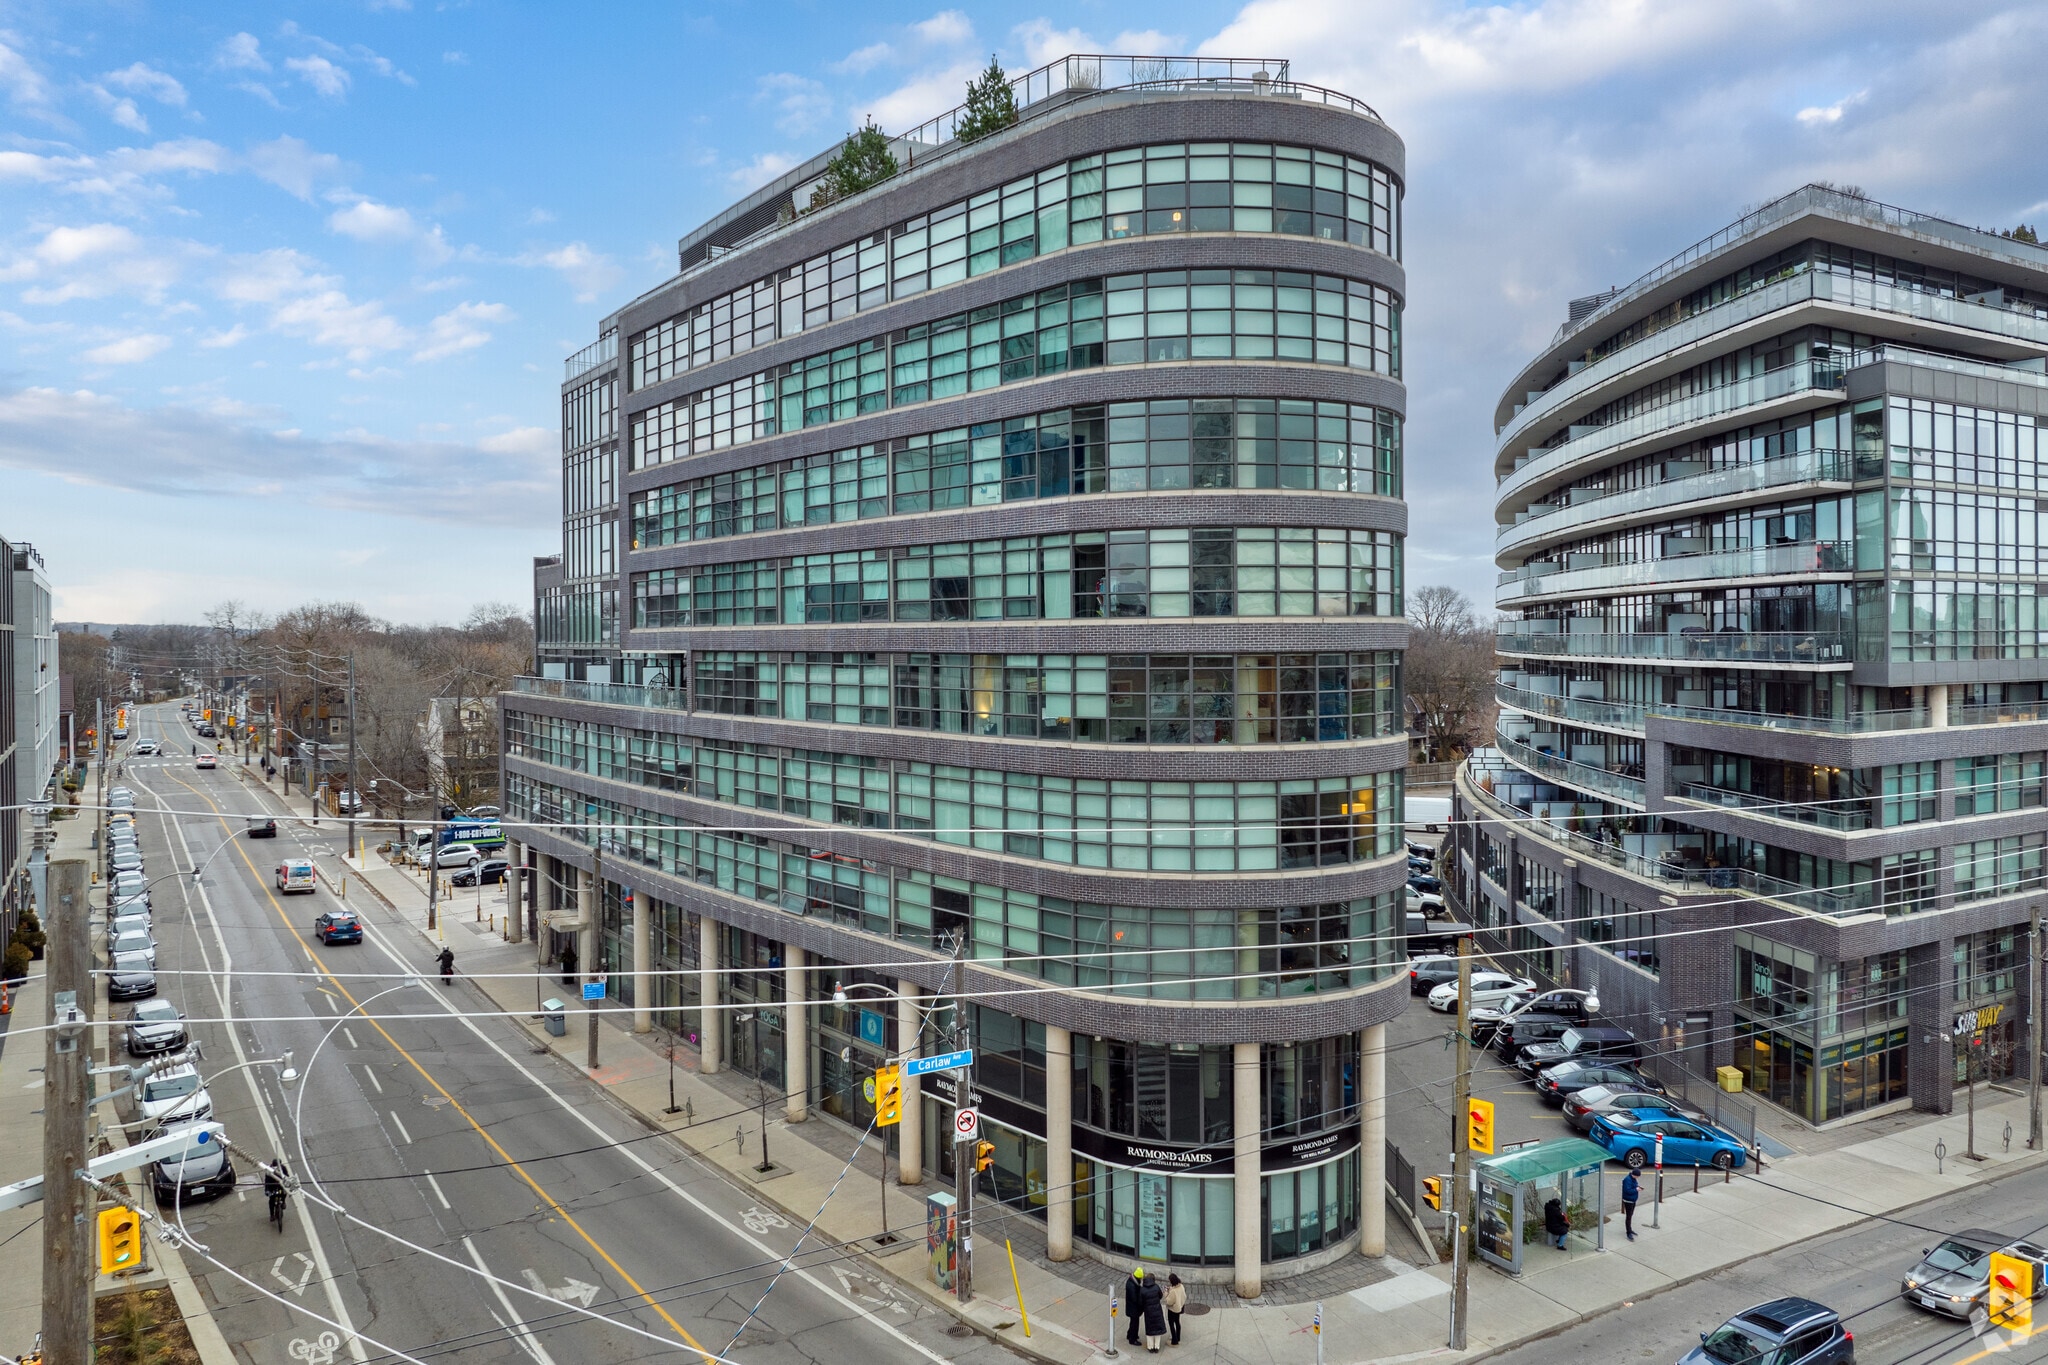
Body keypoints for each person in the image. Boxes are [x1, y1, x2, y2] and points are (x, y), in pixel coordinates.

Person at [1140, 1272, 1166, 1353]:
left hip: (1148, 1311)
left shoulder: (1142, 1289)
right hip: (1157, 1310)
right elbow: (1160, 1296)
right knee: (1158, 1329)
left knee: (1149, 1329)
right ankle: (1157, 1347)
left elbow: (1141, 1301)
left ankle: (1150, 1347)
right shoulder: (1156, 1287)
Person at [1123, 1266, 1145, 1347]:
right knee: (1135, 1323)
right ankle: (1133, 1339)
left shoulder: (1132, 1281)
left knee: (1133, 1322)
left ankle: (1130, 1334)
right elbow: (1135, 1299)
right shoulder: (1132, 1286)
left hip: (1131, 1307)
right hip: (1133, 1308)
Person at [1163, 1273, 1187, 1346]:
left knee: (1171, 1324)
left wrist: (1165, 1293)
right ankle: (1178, 1337)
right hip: (1179, 1308)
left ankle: (1174, 1340)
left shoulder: (1173, 1291)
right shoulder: (1181, 1286)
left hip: (1172, 1310)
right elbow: (1184, 1296)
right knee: (1177, 1322)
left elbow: (1169, 1301)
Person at [1621, 1170, 1640, 1240]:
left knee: (1630, 1215)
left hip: (1633, 1200)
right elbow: (1627, 1191)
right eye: (1637, 1176)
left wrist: (1637, 1188)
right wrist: (1636, 1189)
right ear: (1634, 1174)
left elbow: (1634, 1186)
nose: (1637, 1177)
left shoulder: (1633, 1179)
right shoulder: (1627, 1180)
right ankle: (1628, 1232)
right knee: (1629, 1216)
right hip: (1628, 1200)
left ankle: (1630, 1229)